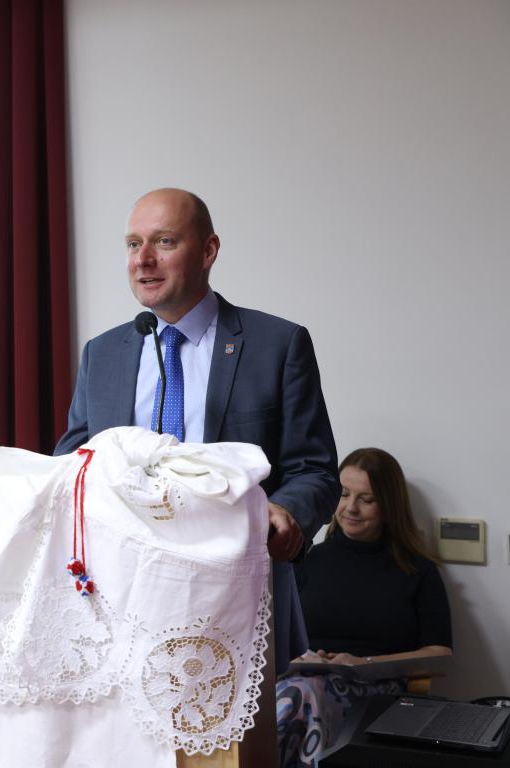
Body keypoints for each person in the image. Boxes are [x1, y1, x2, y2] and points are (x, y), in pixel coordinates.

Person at [54, 187, 340, 667]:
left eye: (164, 241)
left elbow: (315, 470)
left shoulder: (277, 344)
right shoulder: (102, 355)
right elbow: (72, 467)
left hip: (237, 603)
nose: (143, 259)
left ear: (208, 251)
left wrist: (286, 511)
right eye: (133, 244)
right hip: (119, 602)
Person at [276, 447, 452, 766]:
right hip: (304, 683)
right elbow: (278, 636)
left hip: (377, 690)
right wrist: (303, 659)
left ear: (389, 506)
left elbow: (439, 654)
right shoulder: (308, 558)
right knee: (299, 692)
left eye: (366, 499)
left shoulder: (418, 570)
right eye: (343, 495)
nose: (351, 508)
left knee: (304, 695)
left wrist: (362, 663)